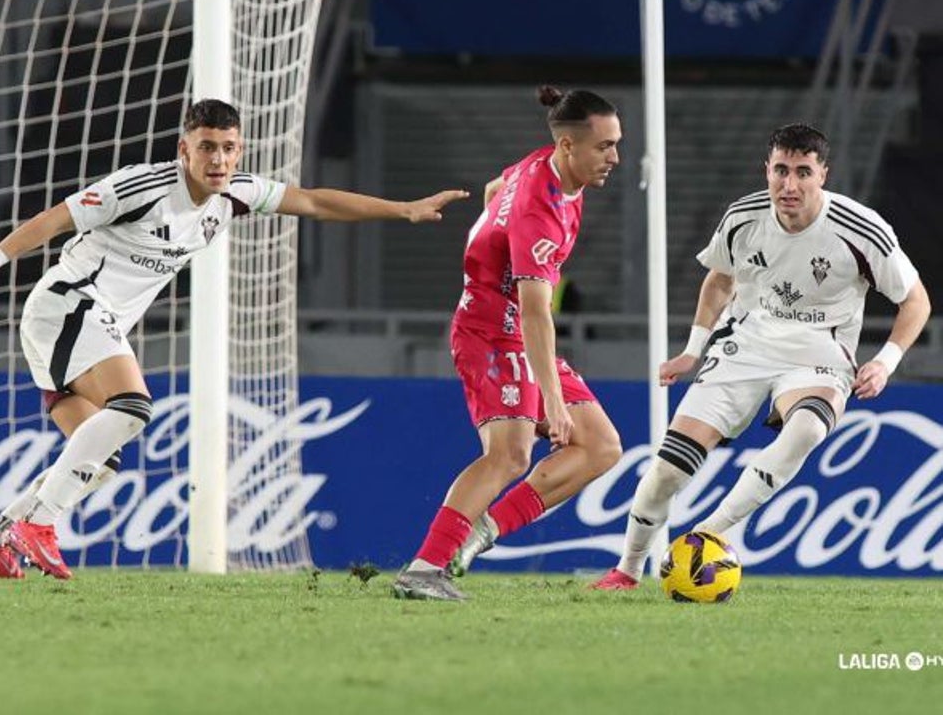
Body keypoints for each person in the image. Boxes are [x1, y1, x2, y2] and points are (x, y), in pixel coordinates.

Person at [0, 98, 468, 579]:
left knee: (96, 465)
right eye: (207, 148)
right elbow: (56, 218)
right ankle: (39, 525)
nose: (218, 160)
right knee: (132, 406)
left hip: (86, 324)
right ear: (184, 149)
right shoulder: (142, 187)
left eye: (228, 148)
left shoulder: (234, 194)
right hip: (67, 305)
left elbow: (312, 201)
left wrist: (403, 209)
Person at [592, 123, 931, 590]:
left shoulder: (861, 228)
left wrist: (885, 361)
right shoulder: (744, 217)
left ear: (823, 175)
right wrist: (693, 350)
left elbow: (916, 300)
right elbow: (719, 280)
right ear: (766, 170)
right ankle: (626, 570)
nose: (790, 185)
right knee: (669, 469)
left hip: (818, 354)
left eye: (803, 173)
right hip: (744, 347)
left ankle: (707, 535)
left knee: (808, 427)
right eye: (781, 171)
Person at [391, 86, 625, 601]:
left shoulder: (544, 166)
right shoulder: (540, 211)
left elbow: (495, 187)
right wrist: (555, 404)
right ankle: (425, 568)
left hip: (511, 327)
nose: (615, 157)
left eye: (615, 144)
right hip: (492, 333)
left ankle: (479, 531)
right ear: (568, 146)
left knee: (602, 447)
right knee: (510, 454)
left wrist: (490, 240)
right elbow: (538, 312)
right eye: (604, 146)